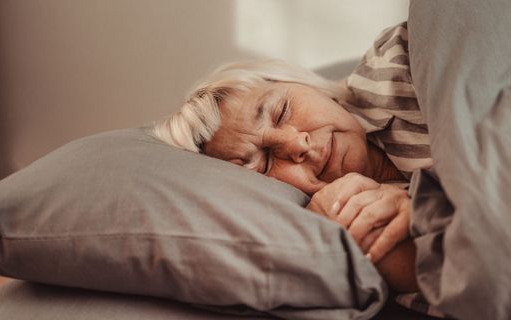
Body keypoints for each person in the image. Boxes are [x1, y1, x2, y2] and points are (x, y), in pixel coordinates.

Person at [152, 23, 432, 295]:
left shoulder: (397, 65)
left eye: (282, 110)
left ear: (307, 86)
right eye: (263, 164)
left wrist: (431, 202)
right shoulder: (337, 216)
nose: (297, 144)